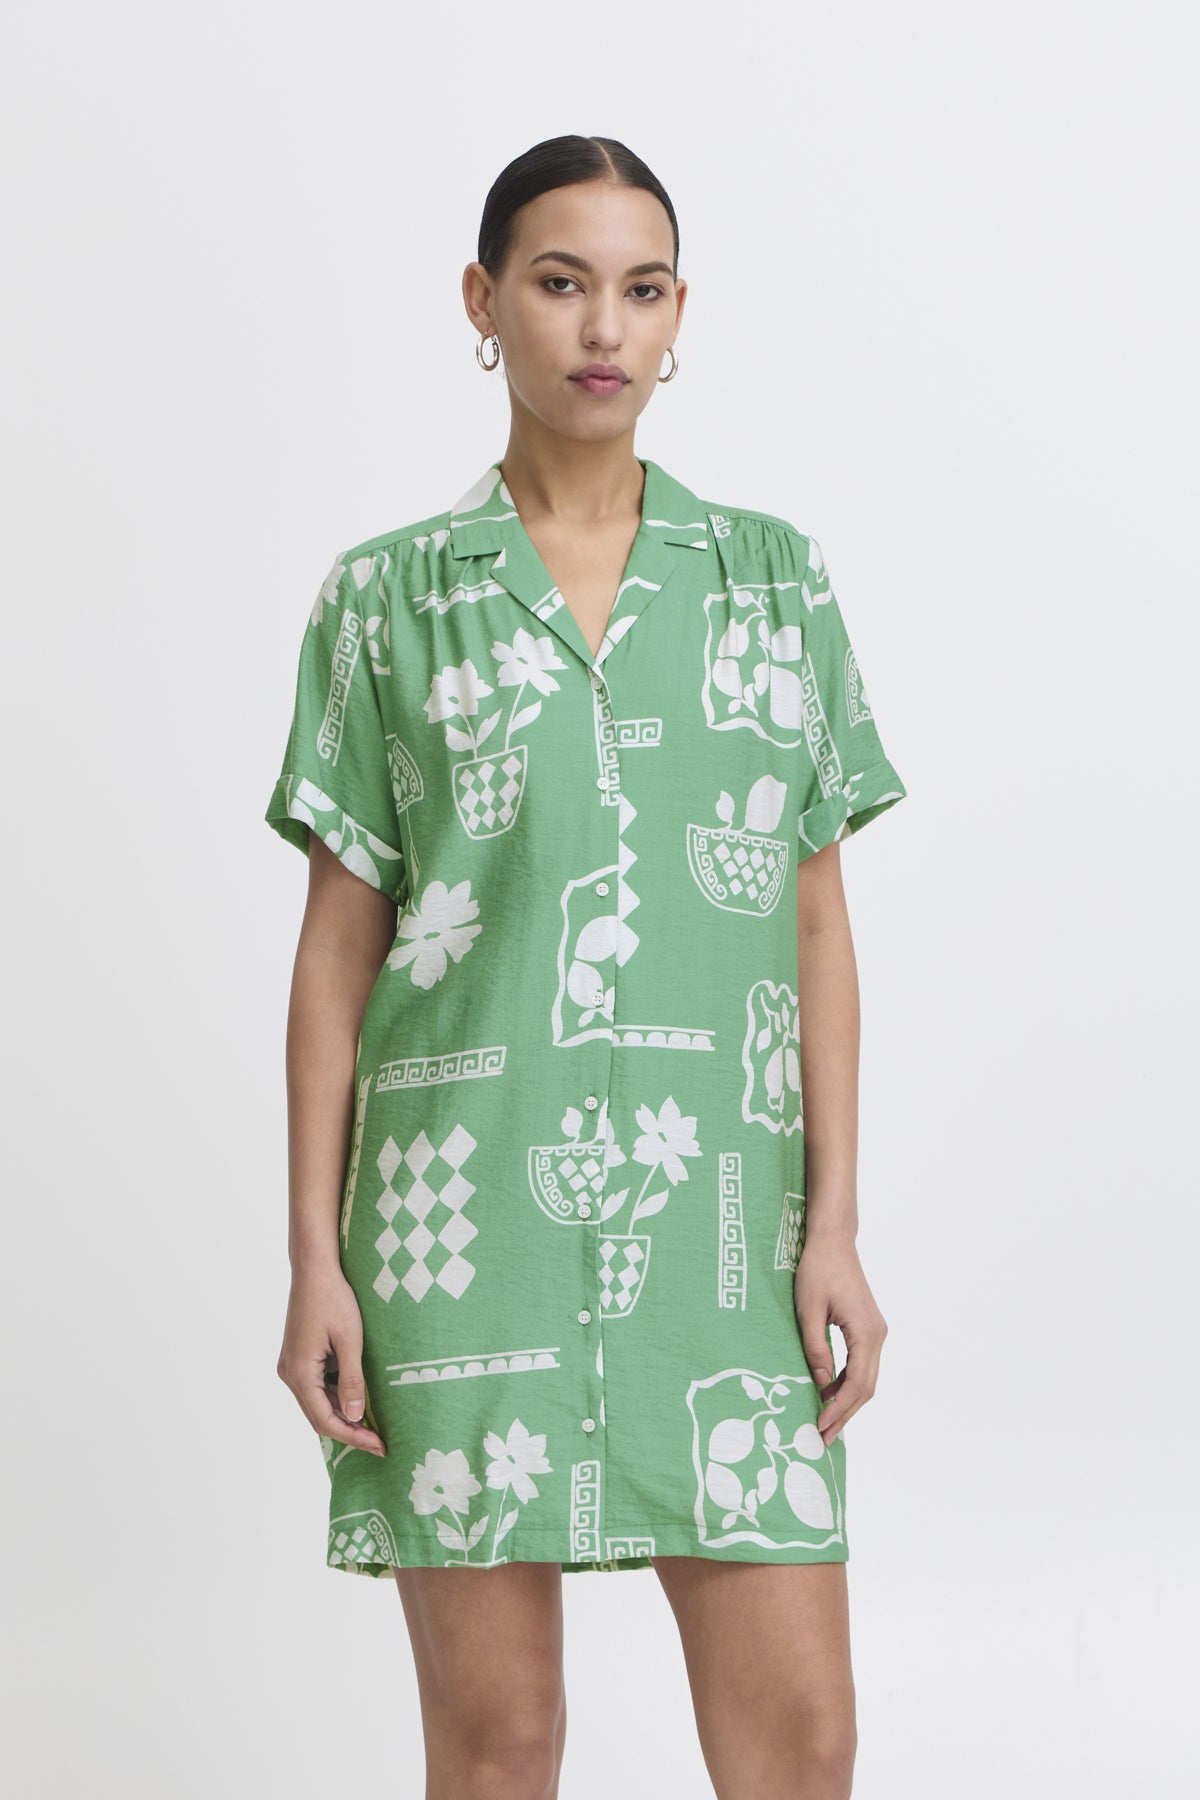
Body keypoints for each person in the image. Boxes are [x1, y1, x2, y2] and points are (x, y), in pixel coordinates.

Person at [265, 132, 907, 1800]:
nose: (602, 327)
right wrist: (315, 1262)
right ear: (484, 303)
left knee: (802, 1743)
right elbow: (337, 955)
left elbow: (815, 923)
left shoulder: (771, 581)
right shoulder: (388, 600)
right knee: (499, 1748)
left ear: (681, 312)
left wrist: (834, 1224)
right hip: (461, 1235)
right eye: (559, 283)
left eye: (641, 288)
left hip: (726, 1242)